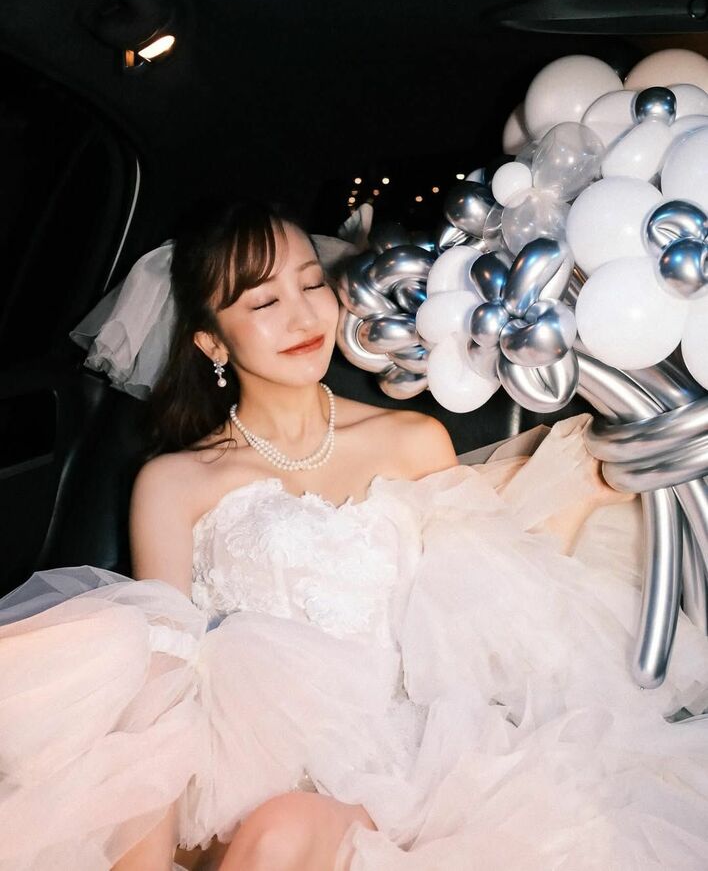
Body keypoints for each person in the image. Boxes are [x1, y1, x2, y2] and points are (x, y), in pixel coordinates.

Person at [1, 200, 707, 871]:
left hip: (398, 773)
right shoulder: (174, 483)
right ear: (211, 340)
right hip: (231, 781)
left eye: (312, 283)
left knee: (282, 830)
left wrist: (579, 490)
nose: (303, 314)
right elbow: (159, 690)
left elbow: (484, 602)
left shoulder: (412, 441)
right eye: (263, 302)